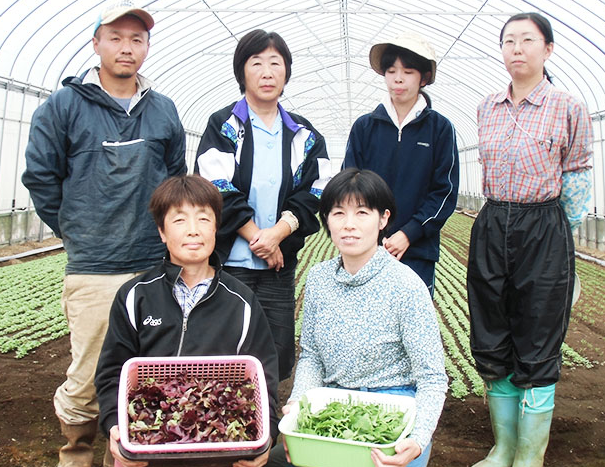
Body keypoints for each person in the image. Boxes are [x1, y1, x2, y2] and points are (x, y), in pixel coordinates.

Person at [20, 3, 187, 466]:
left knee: (153, 369)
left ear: (148, 48)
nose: (126, 48)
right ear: (96, 43)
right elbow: (40, 177)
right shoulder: (64, 106)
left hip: (154, 264)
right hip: (94, 266)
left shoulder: (164, 110)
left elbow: (175, 182)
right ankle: (76, 453)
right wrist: (75, 228)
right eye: (116, 37)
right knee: (91, 372)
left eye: (137, 39)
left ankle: (140, 453)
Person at [467, 12, 593, 467]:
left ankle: (528, 455)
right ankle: (502, 448)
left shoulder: (567, 106)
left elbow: (577, 175)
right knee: (492, 330)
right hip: (493, 218)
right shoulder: (485, 107)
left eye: (527, 40)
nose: (516, 48)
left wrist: (563, 241)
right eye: (508, 41)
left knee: (538, 334)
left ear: (548, 49)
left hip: (544, 225)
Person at [267, 168, 448, 467]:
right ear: (326, 219)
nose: (349, 225)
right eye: (338, 213)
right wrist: (299, 406)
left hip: (393, 416)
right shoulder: (319, 279)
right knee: (275, 461)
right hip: (334, 409)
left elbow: (431, 378)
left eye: (362, 213)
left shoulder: (405, 285)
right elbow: (312, 356)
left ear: (383, 219)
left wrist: (416, 439)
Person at [95, 175, 279, 467]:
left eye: (204, 219)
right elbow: (111, 372)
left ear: (216, 227)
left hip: (219, 451)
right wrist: (113, 426)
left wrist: (266, 435)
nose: (193, 231)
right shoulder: (135, 296)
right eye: (179, 220)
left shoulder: (241, 301)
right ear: (162, 232)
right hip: (147, 449)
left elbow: (263, 377)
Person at [195, 29, 331, 382]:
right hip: (228, 263)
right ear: (242, 71)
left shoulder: (305, 134)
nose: (267, 72)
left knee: (274, 351)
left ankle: (265, 432)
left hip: (277, 267)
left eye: (276, 63)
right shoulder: (224, 125)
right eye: (256, 63)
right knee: (224, 353)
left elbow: (314, 192)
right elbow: (217, 187)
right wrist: (260, 239)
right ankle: (227, 430)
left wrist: (278, 235)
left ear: (287, 72)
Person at [343, 32, 459, 297]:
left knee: (412, 326)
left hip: (417, 249)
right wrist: (370, 234)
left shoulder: (439, 129)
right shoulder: (365, 126)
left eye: (407, 71)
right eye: (391, 70)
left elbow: (444, 192)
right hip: (367, 249)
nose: (398, 78)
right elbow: (350, 183)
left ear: (424, 78)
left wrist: (410, 233)